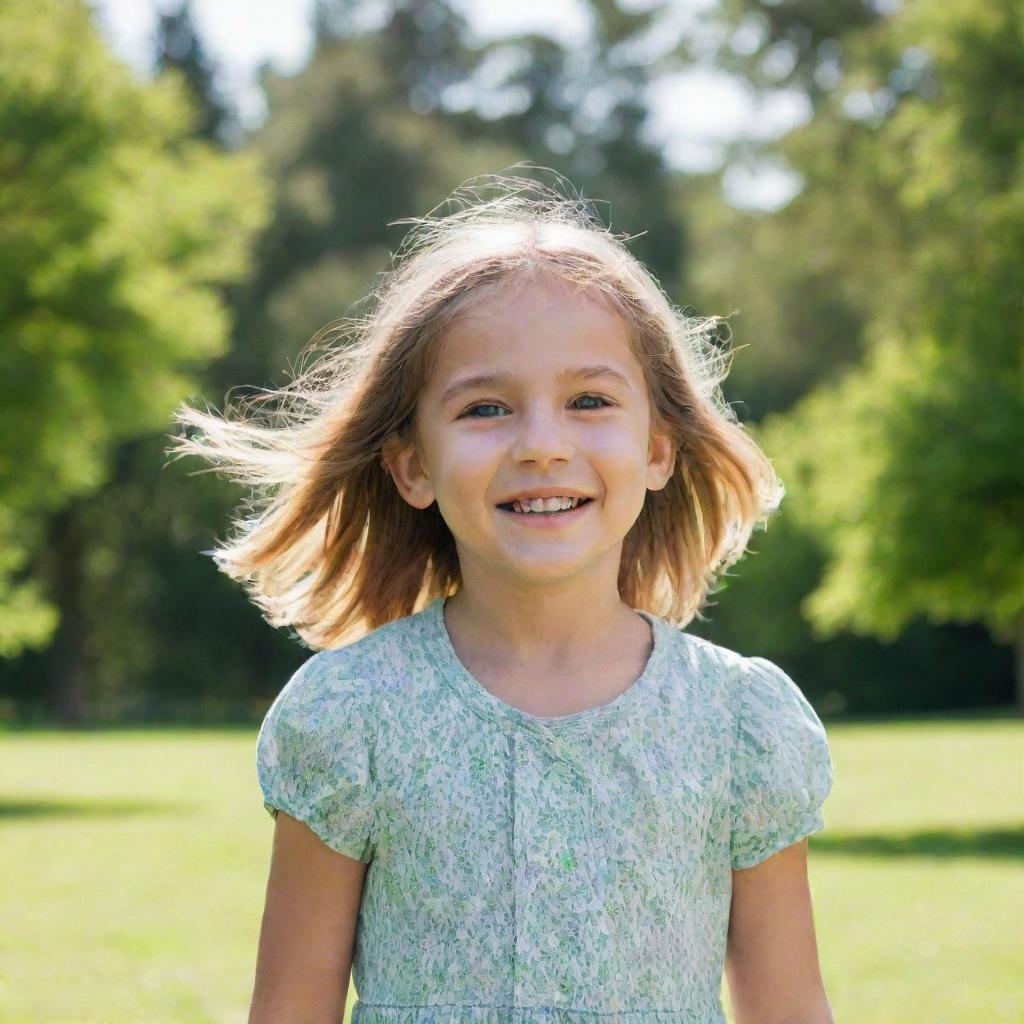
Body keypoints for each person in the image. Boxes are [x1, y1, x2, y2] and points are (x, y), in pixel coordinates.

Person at [168, 171, 836, 1024]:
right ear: (412, 464)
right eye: (486, 407)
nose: (544, 446)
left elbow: (788, 1010)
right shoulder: (352, 719)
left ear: (659, 449)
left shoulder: (740, 726)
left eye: (590, 401)